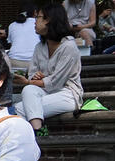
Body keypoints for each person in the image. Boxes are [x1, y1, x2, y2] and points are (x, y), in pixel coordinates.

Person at [14, 3, 83, 136]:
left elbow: (56, 82)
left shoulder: (69, 47)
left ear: (49, 20)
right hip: (45, 91)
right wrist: (34, 77)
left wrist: (29, 81)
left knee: (19, 109)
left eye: (38, 17)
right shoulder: (39, 47)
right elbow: (32, 73)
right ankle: (39, 130)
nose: (35, 21)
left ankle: (36, 135)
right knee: (28, 90)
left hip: (67, 94)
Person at [7, 3, 38, 69]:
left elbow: (11, 45)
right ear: (35, 12)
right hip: (34, 62)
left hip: (14, 61)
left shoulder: (12, 25)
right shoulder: (38, 23)